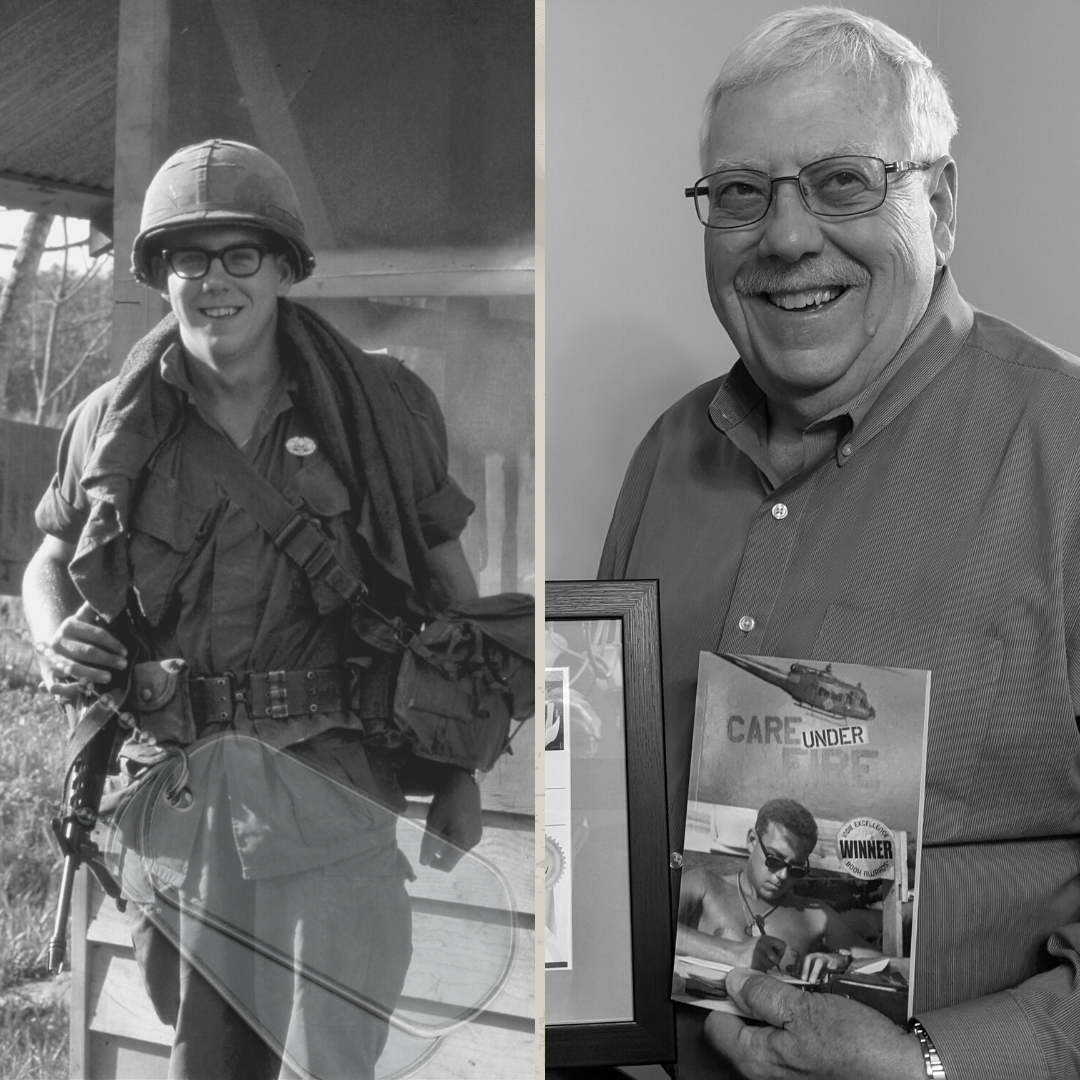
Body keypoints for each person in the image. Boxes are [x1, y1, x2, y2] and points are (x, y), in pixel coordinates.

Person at [599, 7, 1080, 1079]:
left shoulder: (1066, 456)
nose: (784, 236)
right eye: (739, 193)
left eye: (843, 181)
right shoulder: (664, 457)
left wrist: (937, 1066)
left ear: (939, 206)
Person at [24, 138, 482, 1080]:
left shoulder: (379, 409)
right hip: (180, 806)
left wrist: (463, 767)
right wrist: (50, 640)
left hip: (332, 795)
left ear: (282, 268)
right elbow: (49, 562)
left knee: (333, 1063)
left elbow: (449, 589)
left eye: (241, 256)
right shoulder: (111, 424)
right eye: (189, 258)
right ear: (158, 274)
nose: (214, 282)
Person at [677, 799, 883, 984]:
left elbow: (883, 962)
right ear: (751, 841)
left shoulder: (815, 917)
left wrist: (843, 959)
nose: (783, 876)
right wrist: (733, 952)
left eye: (795, 869)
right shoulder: (704, 885)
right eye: (774, 860)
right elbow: (652, 926)